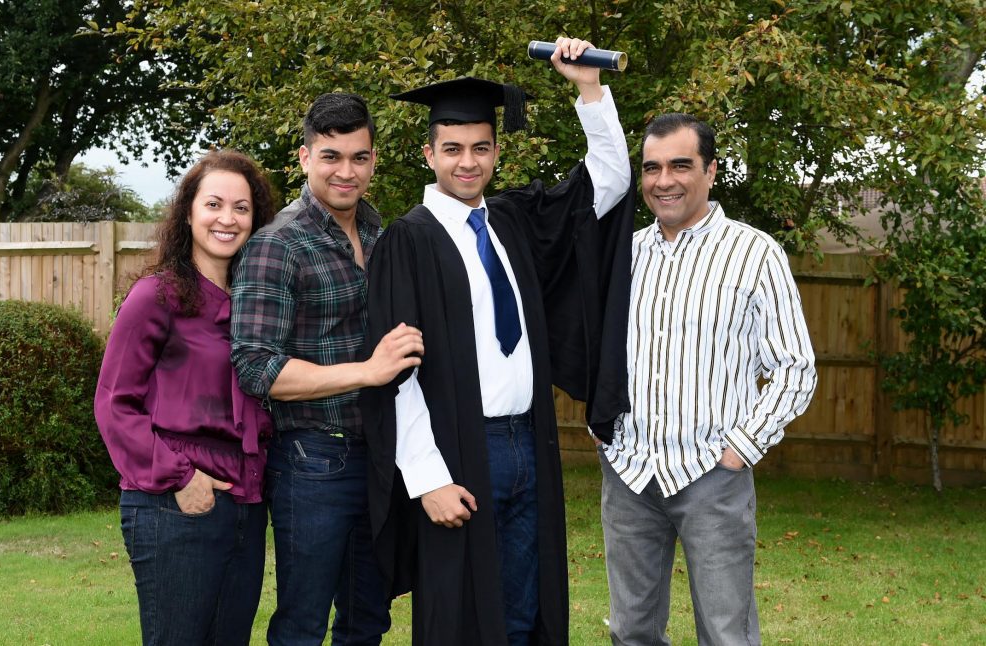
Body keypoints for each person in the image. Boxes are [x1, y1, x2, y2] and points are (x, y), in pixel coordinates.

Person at [361, 37, 634, 645]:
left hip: (529, 444)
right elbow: (397, 373)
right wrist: (427, 477)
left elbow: (610, 183)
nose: (468, 163)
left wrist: (589, 88)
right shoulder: (408, 241)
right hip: (459, 449)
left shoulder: (512, 220)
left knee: (523, 614)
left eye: (481, 148)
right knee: (461, 616)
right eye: (453, 149)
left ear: (496, 151)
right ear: (428, 153)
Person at [595, 113, 818, 646]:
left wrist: (741, 448)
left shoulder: (754, 253)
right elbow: (592, 346)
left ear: (711, 170)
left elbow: (795, 368)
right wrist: (602, 427)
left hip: (711, 475)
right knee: (630, 631)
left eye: (680, 165)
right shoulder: (624, 254)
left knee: (725, 633)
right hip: (629, 473)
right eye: (652, 168)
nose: (663, 181)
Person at [230, 93, 424, 645]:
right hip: (313, 460)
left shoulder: (380, 234)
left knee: (368, 619)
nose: (346, 171)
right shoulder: (278, 244)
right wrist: (367, 371)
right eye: (331, 156)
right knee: (303, 624)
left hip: (381, 455)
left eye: (359, 157)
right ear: (304, 157)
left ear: (374, 159)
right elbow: (255, 367)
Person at [94, 149, 277, 645]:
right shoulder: (157, 295)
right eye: (214, 204)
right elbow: (113, 403)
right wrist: (181, 478)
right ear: (189, 212)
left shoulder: (257, 304)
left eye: (241, 208)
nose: (227, 219)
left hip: (246, 503)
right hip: (173, 503)